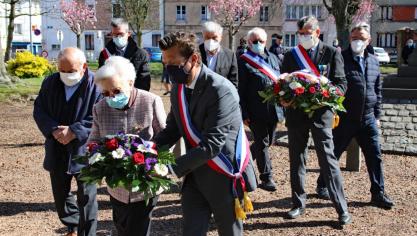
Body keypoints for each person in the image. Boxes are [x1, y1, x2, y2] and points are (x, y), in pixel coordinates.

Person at [154, 32, 257, 236]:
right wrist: (147, 150)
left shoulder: (221, 90)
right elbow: (173, 129)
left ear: (193, 59)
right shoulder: (178, 88)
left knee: (230, 232)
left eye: (173, 63)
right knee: (191, 230)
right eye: (165, 63)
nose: (168, 69)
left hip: (223, 172)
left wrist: (170, 169)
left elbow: (212, 144)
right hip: (194, 174)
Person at [281, 16, 351, 225]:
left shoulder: (331, 53)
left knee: (328, 161)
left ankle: (341, 208)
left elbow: (341, 83)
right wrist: (284, 97)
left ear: (317, 32)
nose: (303, 37)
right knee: (297, 160)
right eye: (300, 34)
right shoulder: (291, 55)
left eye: (307, 33)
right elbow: (283, 80)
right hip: (296, 114)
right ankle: (298, 203)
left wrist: (326, 95)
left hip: (321, 114)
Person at [316, 23, 394, 210]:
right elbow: (330, 86)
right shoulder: (340, 58)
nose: (357, 41)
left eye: (361, 38)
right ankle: (322, 184)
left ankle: (378, 193)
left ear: (369, 41)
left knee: (375, 156)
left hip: (368, 119)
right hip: (345, 118)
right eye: (354, 38)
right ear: (350, 39)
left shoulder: (374, 61)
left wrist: (377, 115)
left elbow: (378, 90)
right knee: (333, 153)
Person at [88, 56, 167, 236]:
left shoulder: (151, 101)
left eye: (116, 90)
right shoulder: (99, 108)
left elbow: (165, 137)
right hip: (117, 186)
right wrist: (95, 157)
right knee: (122, 225)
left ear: (130, 82)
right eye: (106, 93)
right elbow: (93, 141)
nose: (111, 97)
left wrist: (155, 160)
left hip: (145, 183)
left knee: (138, 227)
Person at [33, 47, 101, 236]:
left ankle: (87, 233)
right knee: (61, 197)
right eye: (62, 71)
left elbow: (100, 115)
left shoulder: (97, 85)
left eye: (70, 71)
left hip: (85, 149)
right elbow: (39, 109)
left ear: (84, 67)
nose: (65, 75)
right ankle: (73, 222)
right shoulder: (50, 82)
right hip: (57, 147)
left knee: (87, 197)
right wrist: (53, 129)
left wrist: (74, 131)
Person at [238, 27, 283, 192]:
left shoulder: (273, 58)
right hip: (255, 110)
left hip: (274, 110)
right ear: (249, 42)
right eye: (254, 41)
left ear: (266, 42)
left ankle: (244, 159)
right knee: (262, 142)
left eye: (261, 41)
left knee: (268, 141)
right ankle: (267, 177)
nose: (258, 44)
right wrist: (243, 112)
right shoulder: (243, 61)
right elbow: (240, 89)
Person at [98, 18, 151, 91]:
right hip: (111, 95)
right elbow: (102, 78)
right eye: (115, 35)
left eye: (121, 34)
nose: (118, 37)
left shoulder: (141, 54)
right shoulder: (104, 54)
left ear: (128, 34)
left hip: (133, 96)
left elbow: (144, 80)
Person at [199, 21, 238, 87]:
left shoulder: (229, 55)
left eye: (214, 37)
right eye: (208, 37)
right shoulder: (196, 52)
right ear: (203, 36)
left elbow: (233, 81)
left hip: (221, 95)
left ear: (220, 37)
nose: (211, 41)